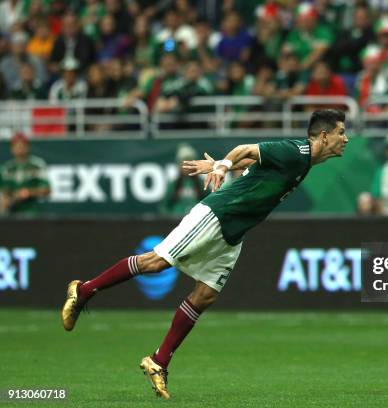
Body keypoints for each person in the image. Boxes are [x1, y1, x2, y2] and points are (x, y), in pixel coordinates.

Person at [61, 109, 349, 399]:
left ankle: (158, 361)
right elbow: (246, 149)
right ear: (323, 136)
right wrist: (224, 166)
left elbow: (254, 161)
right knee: (156, 261)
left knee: (205, 295)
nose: (346, 139)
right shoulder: (295, 150)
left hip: (234, 233)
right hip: (218, 214)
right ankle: (84, 291)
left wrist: (223, 164)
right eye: (341, 132)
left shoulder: (303, 161)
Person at [0, 132, 50, 215]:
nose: (19, 149)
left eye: (22, 146)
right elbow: (4, 190)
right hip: (11, 213)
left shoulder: (36, 165)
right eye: (16, 146)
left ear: (28, 147)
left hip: (31, 212)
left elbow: (46, 190)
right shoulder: (7, 168)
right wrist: (7, 199)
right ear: (12, 148)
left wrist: (27, 193)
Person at [161, 144, 206, 216]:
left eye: (190, 163)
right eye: (184, 163)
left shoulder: (202, 184)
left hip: (197, 221)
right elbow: (165, 207)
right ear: (178, 165)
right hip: (177, 222)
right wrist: (170, 218)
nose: (187, 167)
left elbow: (209, 205)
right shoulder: (173, 184)